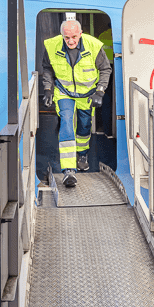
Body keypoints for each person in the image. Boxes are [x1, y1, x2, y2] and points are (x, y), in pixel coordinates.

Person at [42, 19, 112, 187]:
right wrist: (48, 89)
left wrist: (100, 91)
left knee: (84, 125)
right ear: (62, 35)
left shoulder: (94, 46)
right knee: (66, 122)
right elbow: (47, 68)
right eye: (67, 38)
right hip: (64, 91)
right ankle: (68, 169)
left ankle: (82, 154)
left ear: (80, 34)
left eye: (74, 37)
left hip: (87, 93)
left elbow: (105, 69)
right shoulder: (52, 46)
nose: (71, 41)